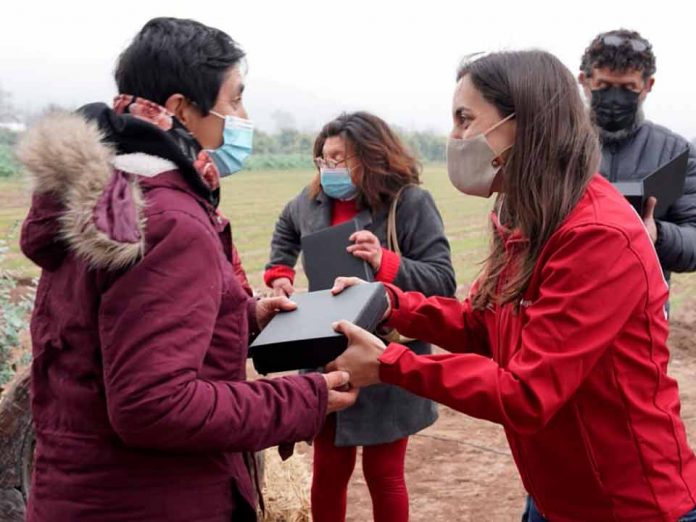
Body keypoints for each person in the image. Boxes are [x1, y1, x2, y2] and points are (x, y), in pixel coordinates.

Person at [326, 50, 696, 521]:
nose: (455, 137)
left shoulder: (595, 234)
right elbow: (485, 326)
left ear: (528, 123)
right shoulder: (523, 215)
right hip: (553, 493)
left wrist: (391, 364)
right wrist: (389, 304)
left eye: (465, 118)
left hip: (625, 503)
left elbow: (527, 393)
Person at [17, 17, 357, 522]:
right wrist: (298, 400)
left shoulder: (104, 198)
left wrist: (241, 316)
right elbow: (153, 406)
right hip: (152, 499)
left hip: (85, 489)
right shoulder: (170, 222)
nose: (242, 115)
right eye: (234, 99)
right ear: (180, 108)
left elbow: (114, 330)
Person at [264, 111, 456, 522]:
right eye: (323, 159)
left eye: (340, 159)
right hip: (324, 349)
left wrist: (386, 262)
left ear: (372, 157)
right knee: (329, 471)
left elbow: (442, 280)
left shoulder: (410, 203)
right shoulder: (310, 201)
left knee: (384, 473)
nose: (329, 168)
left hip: (385, 352)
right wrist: (279, 272)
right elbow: (284, 227)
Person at [579, 29, 696, 283]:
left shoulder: (675, 153)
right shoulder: (555, 147)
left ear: (648, 85)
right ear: (584, 81)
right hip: (566, 306)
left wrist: (658, 235)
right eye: (604, 86)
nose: (615, 99)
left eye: (628, 88)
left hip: (643, 312)